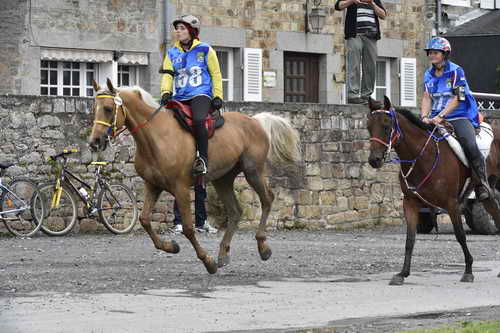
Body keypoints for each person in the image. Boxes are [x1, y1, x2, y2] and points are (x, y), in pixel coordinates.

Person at [420, 37, 491, 201]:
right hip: (435, 117)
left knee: (470, 144)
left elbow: (458, 98)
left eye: (435, 52)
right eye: (430, 53)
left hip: (458, 116)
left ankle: (481, 184)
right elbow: (426, 97)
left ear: (445, 54)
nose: (431, 55)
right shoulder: (427, 74)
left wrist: (441, 116)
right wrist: (424, 116)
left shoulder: (456, 71)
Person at [159, 14, 224, 175]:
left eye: (182, 28)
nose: (178, 32)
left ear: (191, 31)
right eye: (177, 29)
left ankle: (202, 159)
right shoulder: (172, 52)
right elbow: (167, 74)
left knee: (198, 119)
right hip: (179, 97)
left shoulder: (205, 49)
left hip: (200, 94)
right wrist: (166, 92)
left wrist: (217, 96)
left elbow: (216, 74)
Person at [335, 0, 387, 105]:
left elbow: (383, 15)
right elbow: (338, 6)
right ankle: (353, 95)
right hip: (355, 34)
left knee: (370, 66)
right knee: (354, 63)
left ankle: (366, 96)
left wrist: (372, 3)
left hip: (371, 36)